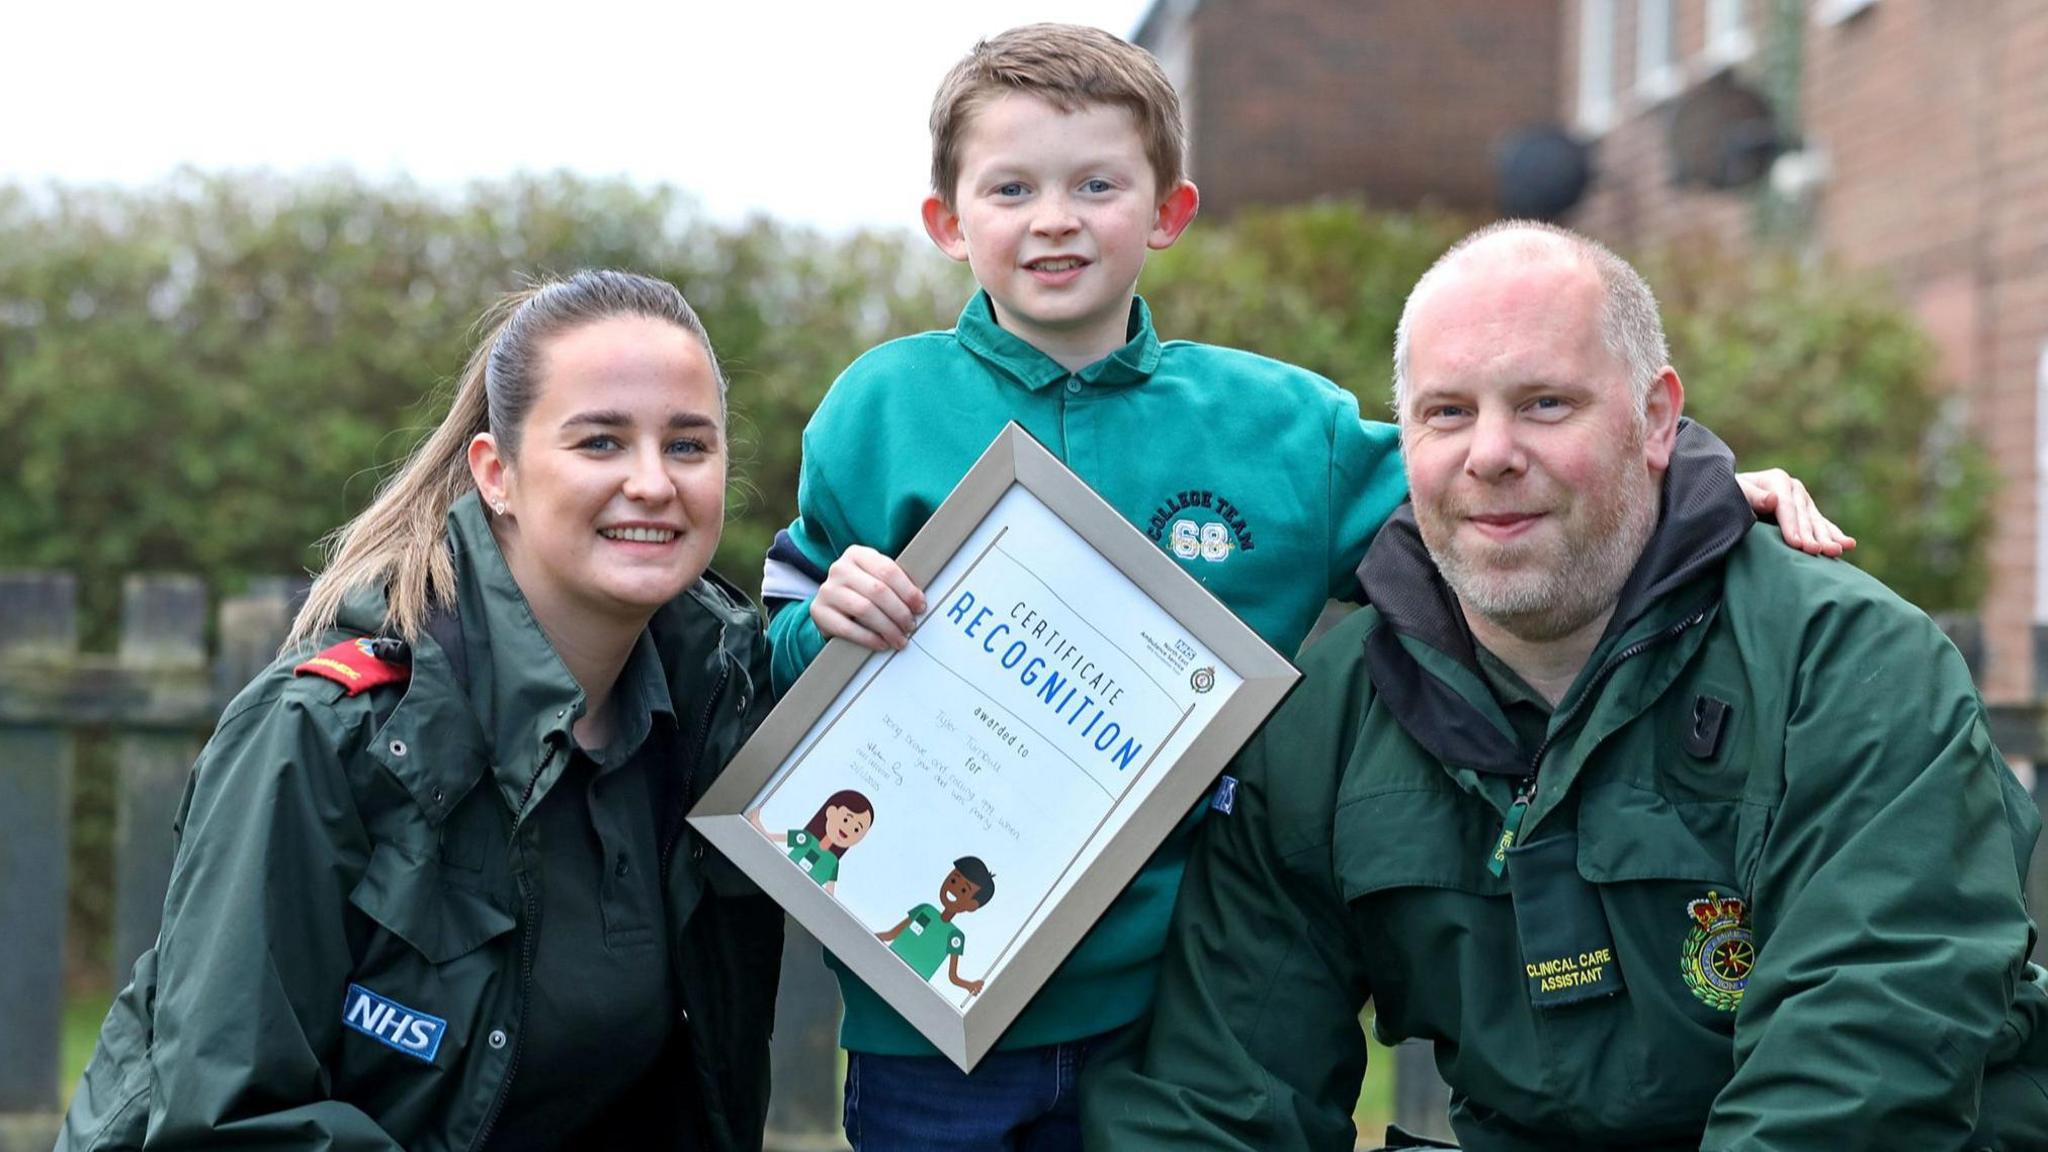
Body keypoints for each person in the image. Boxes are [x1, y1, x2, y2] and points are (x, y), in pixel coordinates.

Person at [761, 23, 1851, 1152]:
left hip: (1170, 998)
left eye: (1095, 183)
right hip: (928, 1011)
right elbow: (781, 645)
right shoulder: (874, 407)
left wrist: (1697, 485)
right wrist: (821, 622)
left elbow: (1492, 497)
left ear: (1168, 211)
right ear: (946, 221)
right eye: (1010, 187)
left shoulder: (1281, 428)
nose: (1053, 217)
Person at [1083, 222, 2048, 1150]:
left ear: (1656, 419)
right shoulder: (1326, 724)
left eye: (1545, 403)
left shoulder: (1848, 664)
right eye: (1447, 412)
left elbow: (1865, 1059)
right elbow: (1221, 1094)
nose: (1491, 453)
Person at [58, 271, 783, 1151]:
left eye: (688, 446)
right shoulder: (319, 736)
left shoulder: (721, 720)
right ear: (497, 475)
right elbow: (230, 1124)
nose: (652, 482)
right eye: (599, 443)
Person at [877, 856, 997, 996]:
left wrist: (969, 985)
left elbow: (953, 976)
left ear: (972, 906)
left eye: (964, 890)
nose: (954, 889)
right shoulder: (925, 910)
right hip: (885, 963)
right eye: (953, 880)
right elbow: (891, 934)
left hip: (911, 985)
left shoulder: (955, 936)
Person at [753, 788, 877, 894]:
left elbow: (829, 894)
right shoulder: (806, 839)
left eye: (856, 829)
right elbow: (770, 838)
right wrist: (756, 821)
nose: (848, 830)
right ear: (831, 812)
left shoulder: (833, 862)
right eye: (846, 820)